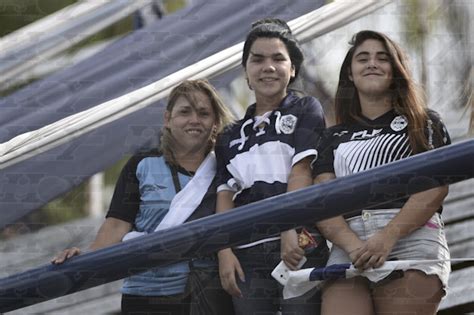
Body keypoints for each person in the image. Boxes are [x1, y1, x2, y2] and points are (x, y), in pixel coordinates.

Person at [52, 79, 235, 315]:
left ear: (215, 123)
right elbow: (116, 225)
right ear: (167, 119)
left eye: (203, 113)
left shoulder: (226, 167)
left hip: (210, 295)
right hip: (146, 295)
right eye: (184, 112)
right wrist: (84, 258)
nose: (194, 120)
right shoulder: (142, 165)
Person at [312, 30, 451, 315]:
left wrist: (387, 237)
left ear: (396, 70)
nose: (372, 63)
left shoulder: (423, 122)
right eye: (362, 58)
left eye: (382, 58)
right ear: (350, 73)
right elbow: (323, 200)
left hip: (410, 238)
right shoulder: (331, 137)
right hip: (347, 244)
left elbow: (435, 187)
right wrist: (353, 247)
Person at [215, 18, 329, 314]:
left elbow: (302, 171)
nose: (268, 66)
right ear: (246, 73)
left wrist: (288, 226)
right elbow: (225, 195)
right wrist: (224, 252)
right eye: (258, 59)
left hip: (299, 240)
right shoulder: (228, 135)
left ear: (292, 70)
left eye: (279, 59)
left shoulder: (306, 109)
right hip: (246, 253)